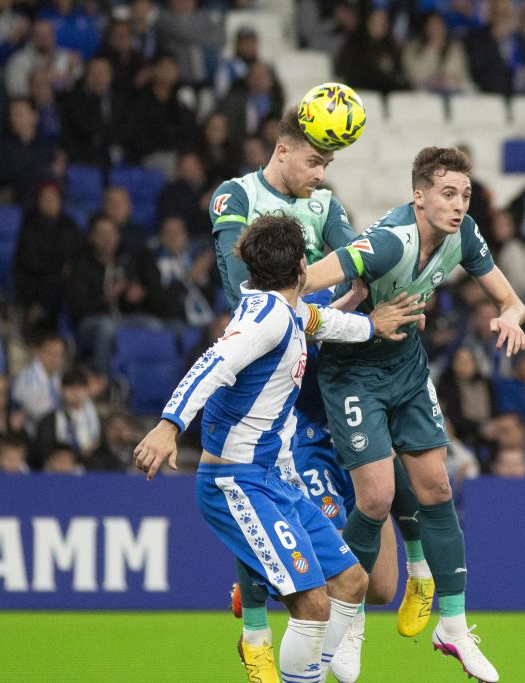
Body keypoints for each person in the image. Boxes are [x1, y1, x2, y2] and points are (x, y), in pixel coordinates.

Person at [134, 215, 421, 683]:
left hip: (271, 478)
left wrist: (370, 325)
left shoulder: (282, 309)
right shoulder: (265, 321)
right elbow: (213, 363)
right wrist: (169, 425)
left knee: (352, 583)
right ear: (304, 267)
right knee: (312, 602)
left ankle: (301, 668)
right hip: (234, 481)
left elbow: (325, 322)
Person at [304, 146, 525, 683]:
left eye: (465, 195)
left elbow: (511, 300)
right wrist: (350, 307)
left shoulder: (465, 234)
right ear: (419, 195)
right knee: (377, 496)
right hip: (352, 368)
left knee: (437, 489)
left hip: (405, 365)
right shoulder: (385, 243)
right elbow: (304, 285)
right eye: (448, 194)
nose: (458, 205)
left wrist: (512, 318)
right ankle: (350, 613)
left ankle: (452, 626)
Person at [211, 108, 418, 681]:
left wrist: (376, 293)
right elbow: (242, 289)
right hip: (259, 362)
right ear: (282, 151)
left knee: (374, 583)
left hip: (313, 364)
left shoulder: (324, 204)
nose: (321, 173)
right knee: (251, 477)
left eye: (328, 163)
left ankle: (274, 585)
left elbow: (359, 270)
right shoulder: (235, 196)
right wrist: (335, 313)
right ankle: (255, 633)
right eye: (314, 160)